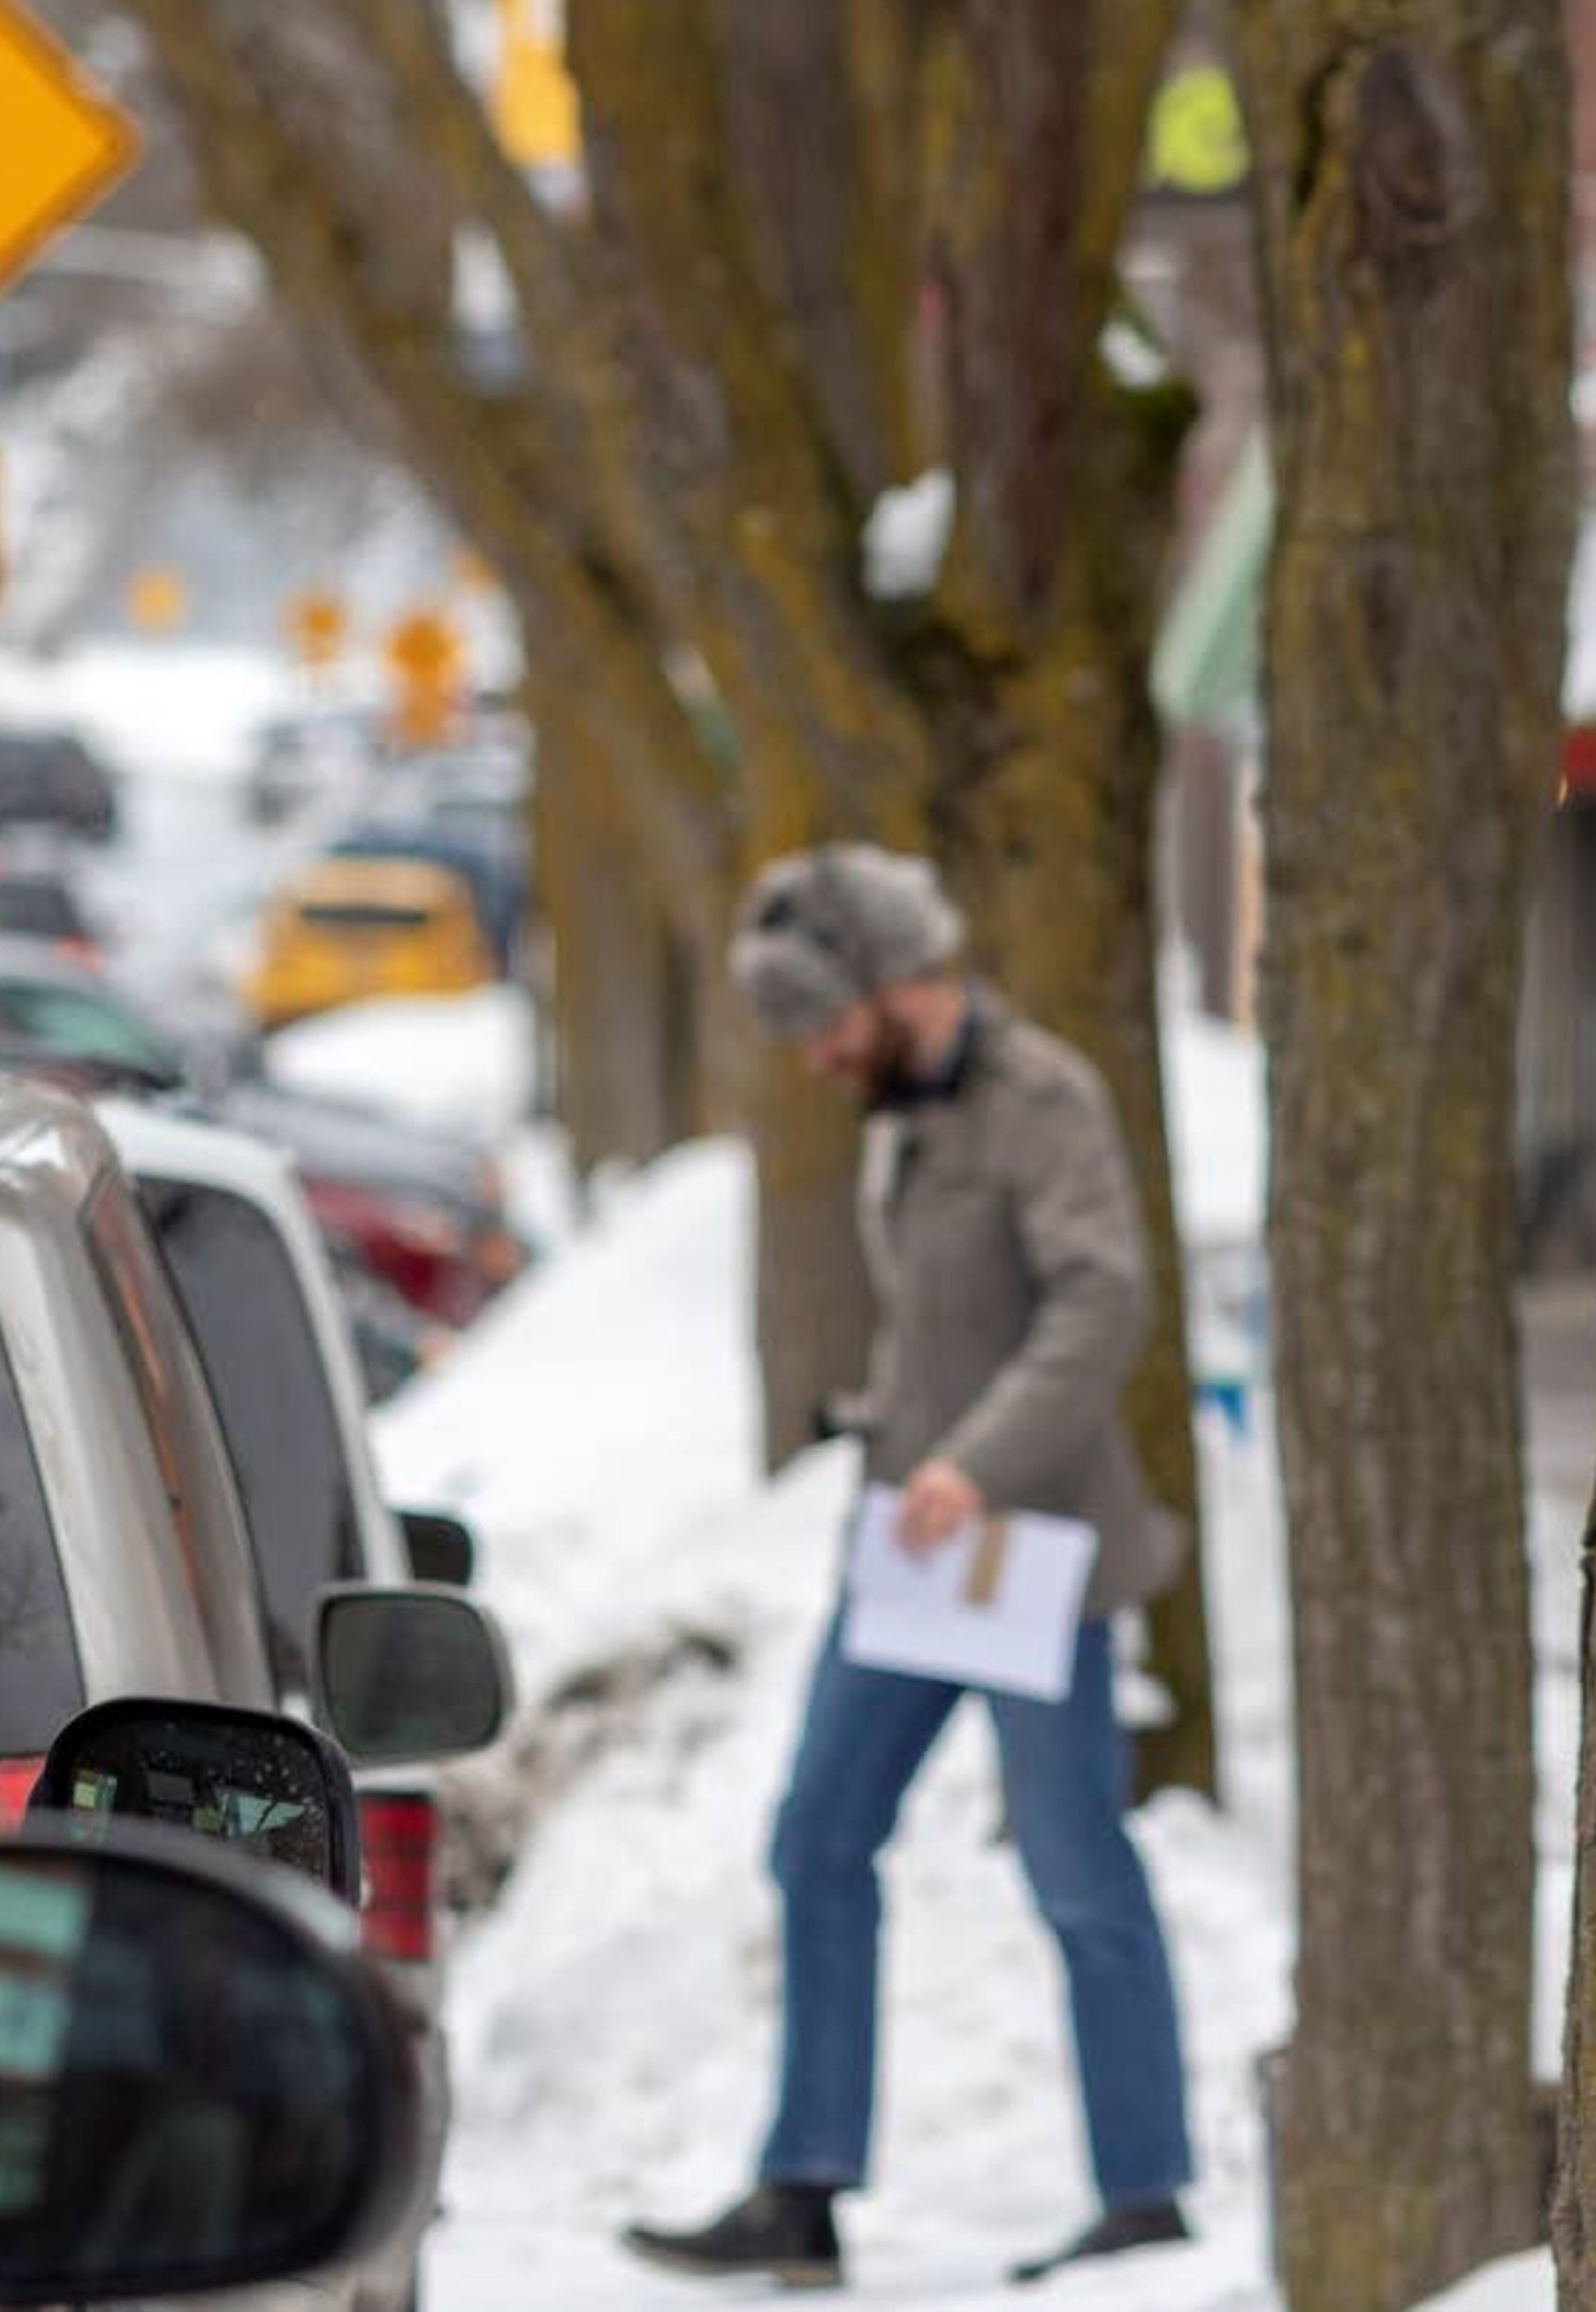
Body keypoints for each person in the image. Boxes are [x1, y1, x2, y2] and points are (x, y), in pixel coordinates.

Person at [621, 844, 1196, 2291]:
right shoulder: (899, 1107)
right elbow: (943, 1314)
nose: (814, 1059)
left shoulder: (1040, 1098)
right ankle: (803, 2190)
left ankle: (1147, 2193)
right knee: (817, 1835)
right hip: (914, 1550)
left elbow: (1099, 1300)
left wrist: (974, 1461)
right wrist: (890, 1437)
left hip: (1026, 1548)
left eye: (825, 1024)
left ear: (888, 986)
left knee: (1076, 1868)